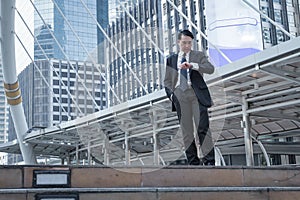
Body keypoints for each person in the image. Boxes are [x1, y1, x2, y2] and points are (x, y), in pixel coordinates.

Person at [164, 30, 215, 165]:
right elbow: (167, 81)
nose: (187, 46)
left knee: (202, 128)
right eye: (184, 43)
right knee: (186, 132)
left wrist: (193, 65)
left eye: (189, 43)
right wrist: (172, 95)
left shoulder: (198, 55)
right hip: (180, 96)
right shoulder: (171, 59)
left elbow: (210, 69)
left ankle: (209, 162)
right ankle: (193, 163)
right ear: (178, 42)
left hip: (196, 94)